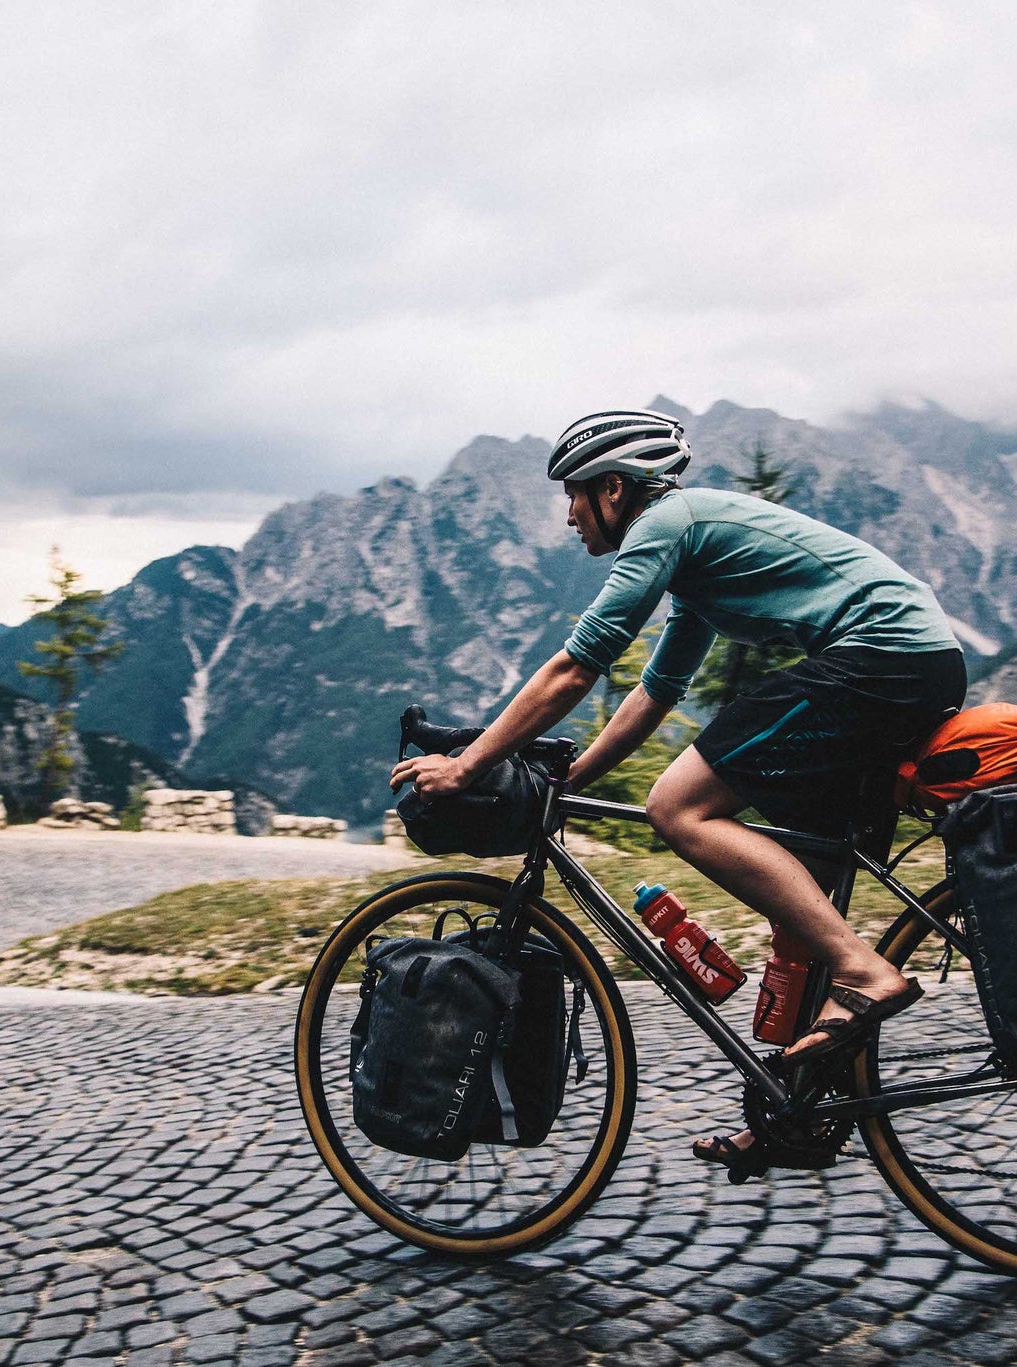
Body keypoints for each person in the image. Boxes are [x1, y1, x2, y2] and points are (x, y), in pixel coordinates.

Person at [389, 408, 966, 1181]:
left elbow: (575, 668)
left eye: (574, 495)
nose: (568, 515)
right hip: (912, 663)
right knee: (805, 883)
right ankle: (796, 1111)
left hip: (880, 660)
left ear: (615, 489)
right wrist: (567, 779)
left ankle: (868, 973)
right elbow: (654, 694)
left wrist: (468, 766)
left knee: (677, 806)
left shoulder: (665, 524)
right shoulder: (698, 561)